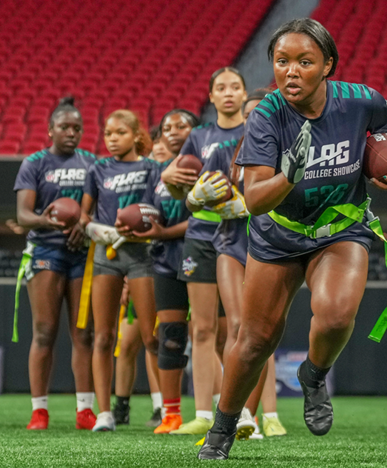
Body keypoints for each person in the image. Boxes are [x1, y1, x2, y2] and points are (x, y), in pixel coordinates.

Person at [198, 18, 387, 459]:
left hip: (341, 228)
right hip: (279, 235)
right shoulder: (266, 116)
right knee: (256, 340)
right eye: (282, 62)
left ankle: (313, 375)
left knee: (337, 316)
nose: (291, 71)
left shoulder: (359, 100)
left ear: (328, 66)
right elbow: (256, 199)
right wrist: (290, 175)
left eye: (305, 61)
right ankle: (222, 430)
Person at [189, 88, 287, 440]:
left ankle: (256, 415)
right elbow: (203, 198)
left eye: (259, 112)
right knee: (237, 325)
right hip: (231, 242)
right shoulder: (230, 152)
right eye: (249, 114)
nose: (253, 118)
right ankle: (241, 414)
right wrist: (195, 197)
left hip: (272, 246)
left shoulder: (293, 150)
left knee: (257, 331)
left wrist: (248, 205)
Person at [160, 69, 247, 435]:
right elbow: (177, 185)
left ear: (244, 94)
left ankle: (242, 413)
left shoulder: (255, 131)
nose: (228, 94)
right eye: (220, 88)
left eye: (235, 87)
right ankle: (202, 414)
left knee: (239, 331)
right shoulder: (198, 136)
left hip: (242, 235)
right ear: (211, 97)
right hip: (200, 236)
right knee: (202, 329)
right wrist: (175, 183)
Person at [14, 97, 97, 430]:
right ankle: (39, 411)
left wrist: (83, 222)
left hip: (81, 253)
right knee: (45, 331)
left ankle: (85, 411)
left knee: (83, 333)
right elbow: (22, 215)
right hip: (46, 252)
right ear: (50, 130)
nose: (71, 133)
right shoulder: (34, 162)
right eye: (64, 127)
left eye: (77, 128)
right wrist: (54, 223)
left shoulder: (92, 162)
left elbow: (98, 207)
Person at [80, 109, 160, 432]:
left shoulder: (151, 168)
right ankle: (104, 413)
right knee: (103, 336)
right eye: (108, 134)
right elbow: (84, 216)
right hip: (106, 255)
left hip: (143, 253)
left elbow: (157, 208)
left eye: (120, 133)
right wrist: (100, 232)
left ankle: (166, 408)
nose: (112, 139)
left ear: (135, 135)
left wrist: (138, 224)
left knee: (151, 335)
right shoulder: (98, 169)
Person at [125, 109, 199, 434]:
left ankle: (228, 411)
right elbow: (145, 210)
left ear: (195, 131)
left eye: (181, 126)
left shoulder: (205, 165)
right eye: (167, 127)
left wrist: (161, 232)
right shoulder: (157, 173)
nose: (172, 132)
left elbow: (207, 217)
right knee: (169, 338)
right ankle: (171, 414)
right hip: (166, 260)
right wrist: (130, 222)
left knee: (220, 337)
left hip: (204, 256)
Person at [112, 282, 163, 427]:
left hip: (160, 273)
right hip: (138, 278)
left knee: (153, 341)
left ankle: (161, 406)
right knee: (126, 344)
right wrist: (127, 283)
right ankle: (121, 407)